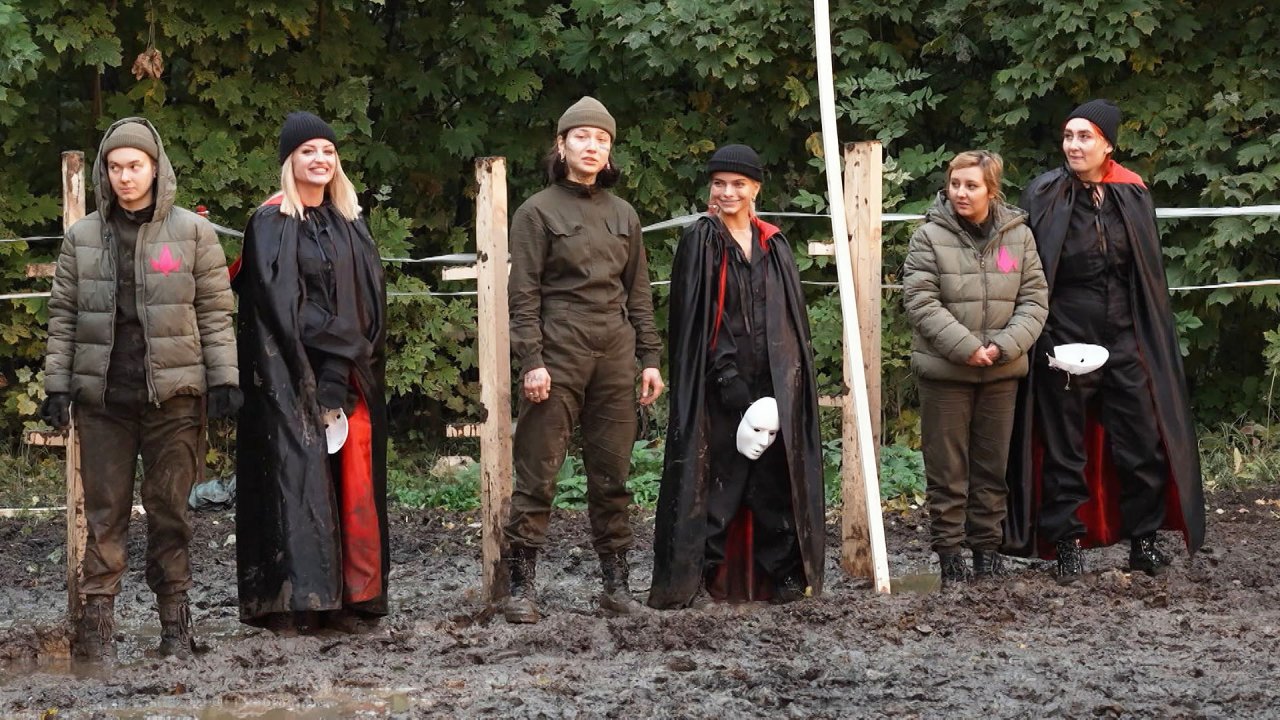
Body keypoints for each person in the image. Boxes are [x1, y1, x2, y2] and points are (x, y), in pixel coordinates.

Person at [41, 117, 240, 659]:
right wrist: (57, 385)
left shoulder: (193, 233)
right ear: (104, 172)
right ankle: (96, 632)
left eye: (135, 165)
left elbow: (215, 313)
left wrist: (223, 378)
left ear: (156, 168)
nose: (125, 176)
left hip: (174, 399)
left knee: (170, 512)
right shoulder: (81, 237)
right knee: (104, 515)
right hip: (103, 401)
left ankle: (176, 627)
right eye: (115, 166)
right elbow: (63, 316)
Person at [1005, 99, 1206, 583]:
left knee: (1142, 441)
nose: (1074, 145)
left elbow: (1147, 273)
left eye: (1085, 137)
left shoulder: (1131, 192)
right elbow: (1016, 259)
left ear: (1108, 144)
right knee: (1064, 445)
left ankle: (1144, 541)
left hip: (1126, 336)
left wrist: (1141, 338)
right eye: (1068, 136)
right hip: (1064, 332)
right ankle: (1067, 545)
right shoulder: (1044, 193)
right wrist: (1000, 275)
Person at [502, 97, 665, 623]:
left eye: (602, 139)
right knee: (538, 473)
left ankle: (616, 587)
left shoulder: (624, 214)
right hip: (558, 353)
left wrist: (649, 358)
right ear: (561, 144)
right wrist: (531, 360)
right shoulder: (536, 212)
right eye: (582, 137)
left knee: (613, 475)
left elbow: (638, 293)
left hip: (615, 355)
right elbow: (523, 294)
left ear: (610, 151)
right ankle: (521, 588)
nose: (592, 147)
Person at [648, 144, 824, 609]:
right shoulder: (702, 239)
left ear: (755, 189)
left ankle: (781, 577)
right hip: (718, 385)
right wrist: (728, 380)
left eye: (738, 184)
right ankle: (701, 580)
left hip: (771, 382)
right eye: (719, 184)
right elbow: (701, 316)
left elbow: (787, 319)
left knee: (773, 482)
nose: (728, 192)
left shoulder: (773, 243)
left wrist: (783, 384)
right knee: (717, 482)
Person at [232, 111, 389, 631]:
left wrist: (343, 364)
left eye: (327, 151)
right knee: (296, 480)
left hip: (349, 372)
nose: (320, 159)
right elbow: (280, 304)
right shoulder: (271, 223)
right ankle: (297, 600)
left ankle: (350, 598)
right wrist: (322, 364)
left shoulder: (350, 222)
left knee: (353, 476)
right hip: (288, 370)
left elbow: (368, 299)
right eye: (307, 151)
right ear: (289, 161)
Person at [903, 151, 1048, 586]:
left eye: (971, 185)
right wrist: (966, 348)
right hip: (946, 374)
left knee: (992, 468)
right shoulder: (928, 237)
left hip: (1000, 373)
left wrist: (1003, 346)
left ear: (992, 190)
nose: (961, 193)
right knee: (947, 470)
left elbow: (1034, 299)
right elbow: (920, 301)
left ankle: (987, 550)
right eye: (955, 184)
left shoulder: (1019, 236)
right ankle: (950, 555)